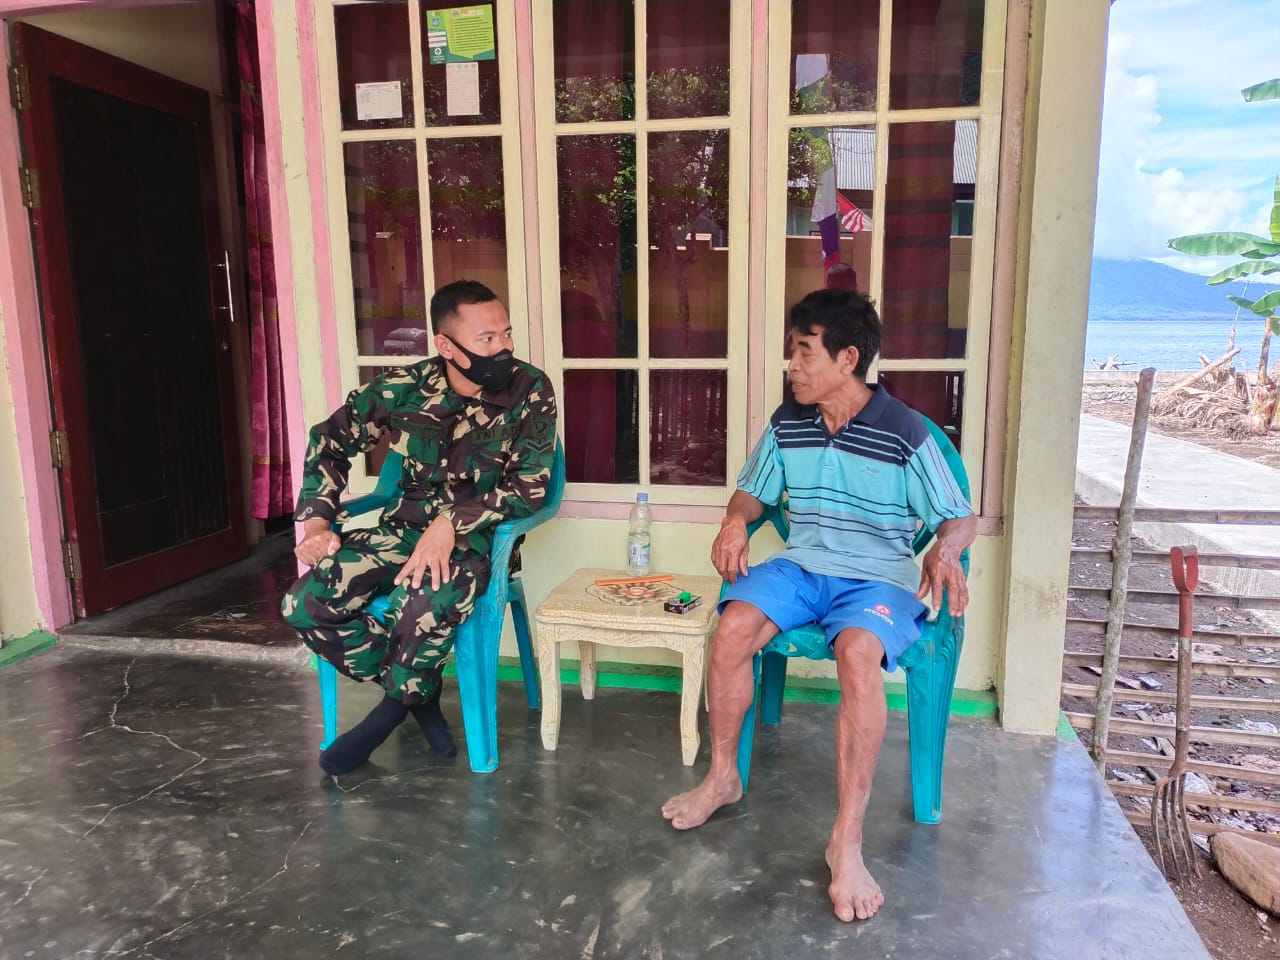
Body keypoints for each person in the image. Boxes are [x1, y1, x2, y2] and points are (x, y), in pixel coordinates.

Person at [661, 288, 975, 922]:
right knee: (733, 627)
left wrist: (945, 549)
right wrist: (734, 522)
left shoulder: (906, 432)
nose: (793, 366)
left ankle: (846, 840)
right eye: (793, 352)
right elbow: (752, 493)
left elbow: (959, 517)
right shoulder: (789, 422)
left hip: (877, 581)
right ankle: (723, 777)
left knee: (858, 657)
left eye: (805, 352)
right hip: (804, 567)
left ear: (847, 358)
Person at [282, 280, 557, 776]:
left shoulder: (529, 388)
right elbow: (330, 440)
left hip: (475, 542)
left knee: (422, 604)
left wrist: (451, 522)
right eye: (486, 339)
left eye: (506, 334)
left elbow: (528, 488)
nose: (503, 348)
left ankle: (388, 714)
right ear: (446, 346)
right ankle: (416, 694)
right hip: (400, 532)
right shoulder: (403, 387)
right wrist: (318, 520)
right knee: (304, 603)